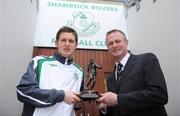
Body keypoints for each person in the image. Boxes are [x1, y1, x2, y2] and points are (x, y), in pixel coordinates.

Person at [97, 29, 168, 116]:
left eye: (118, 41)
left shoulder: (147, 60)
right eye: (110, 43)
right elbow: (116, 107)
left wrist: (118, 99)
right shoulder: (110, 79)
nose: (114, 45)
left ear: (126, 43)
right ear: (108, 48)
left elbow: (159, 95)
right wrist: (105, 107)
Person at [16, 26, 84, 116]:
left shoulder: (79, 71)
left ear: (76, 45)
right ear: (56, 43)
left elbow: (75, 102)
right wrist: (62, 95)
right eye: (63, 40)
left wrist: (77, 103)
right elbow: (23, 92)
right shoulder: (39, 62)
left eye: (71, 41)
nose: (67, 44)